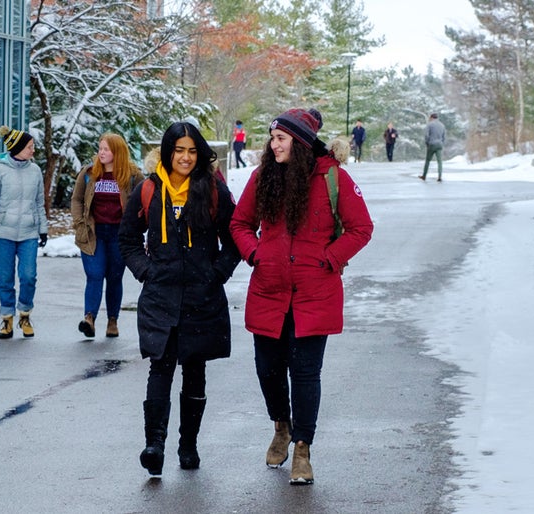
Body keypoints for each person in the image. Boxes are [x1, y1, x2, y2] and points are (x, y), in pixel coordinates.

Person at [229, 109, 374, 485]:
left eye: (280, 138)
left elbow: (361, 228)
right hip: (269, 291)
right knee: (268, 371)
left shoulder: (332, 178)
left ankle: (303, 449)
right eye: (272, 138)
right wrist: (255, 253)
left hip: (315, 294)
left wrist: (329, 258)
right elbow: (239, 223)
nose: (272, 144)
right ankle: (281, 424)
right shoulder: (262, 177)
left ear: (301, 142)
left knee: (306, 374)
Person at [119, 121, 242, 477]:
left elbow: (235, 237)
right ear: (167, 152)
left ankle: (188, 444)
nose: (186, 157)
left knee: (195, 371)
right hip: (160, 296)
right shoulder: (148, 190)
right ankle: (154, 443)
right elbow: (127, 239)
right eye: (179, 150)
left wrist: (217, 273)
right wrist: (145, 270)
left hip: (202, 298)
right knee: (160, 366)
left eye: (191, 150)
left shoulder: (213, 190)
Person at [70, 133, 145, 338]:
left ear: (117, 152)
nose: (101, 153)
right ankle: (89, 318)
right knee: (94, 275)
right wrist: (79, 223)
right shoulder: (89, 173)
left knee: (114, 277)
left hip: (119, 235)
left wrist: (138, 225)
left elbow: (144, 201)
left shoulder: (132, 176)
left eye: (106, 149)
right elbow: (77, 200)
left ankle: (113, 320)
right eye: (100, 148)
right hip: (93, 233)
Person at [0, 125, 48, 339]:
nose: (33, 150)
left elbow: (40, 203)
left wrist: (43, 229)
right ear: (17, 148)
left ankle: (25, 314)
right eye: (29, 147)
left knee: (29, 276)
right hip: (3, 233)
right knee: (6, 278)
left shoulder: (35, 171)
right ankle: (6, 320)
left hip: (28, 233)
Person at [421, 113, 446, 182]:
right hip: (439, 144)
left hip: (431, 144)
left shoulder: (429, 124)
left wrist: (427, 143)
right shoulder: (442, 125)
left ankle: (424, 175)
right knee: (439, 161)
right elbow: (444, 137)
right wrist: (442, 143)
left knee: (428, 160)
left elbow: (426, 135)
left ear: (431, 118)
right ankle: (439, 176)